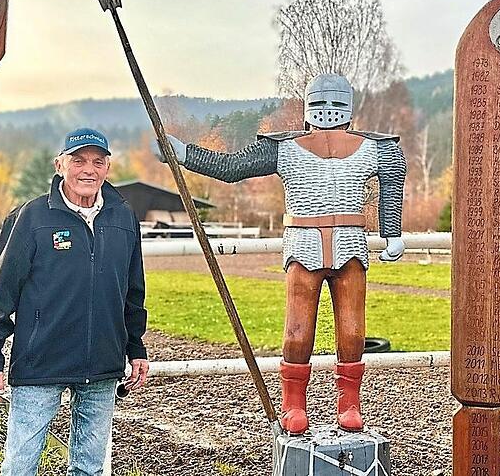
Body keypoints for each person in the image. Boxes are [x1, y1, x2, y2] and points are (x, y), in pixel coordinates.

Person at [154, 74, 406, 434]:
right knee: (298, 329)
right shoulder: (285, 147)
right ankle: (294, 404)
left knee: (352, 330)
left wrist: (392, 232)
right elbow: (232, 167)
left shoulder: (376, 148)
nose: (328, 112)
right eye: (321, 103)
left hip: (350, 244)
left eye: (334, 104)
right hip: (303, 244)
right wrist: (183, 154)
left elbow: (394, 177)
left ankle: (349, 403)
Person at [0, 128, 150, 475]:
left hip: (102, 364)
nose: (88, 170)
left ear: (108, 168)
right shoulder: (32, 217)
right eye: (78, 161)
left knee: (89, 468)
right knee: (20, 466)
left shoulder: (123, 218)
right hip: (41, 361)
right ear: (60, 165)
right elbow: (0, 291)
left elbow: (132, 291)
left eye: (97, 162)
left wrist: (136, 348)